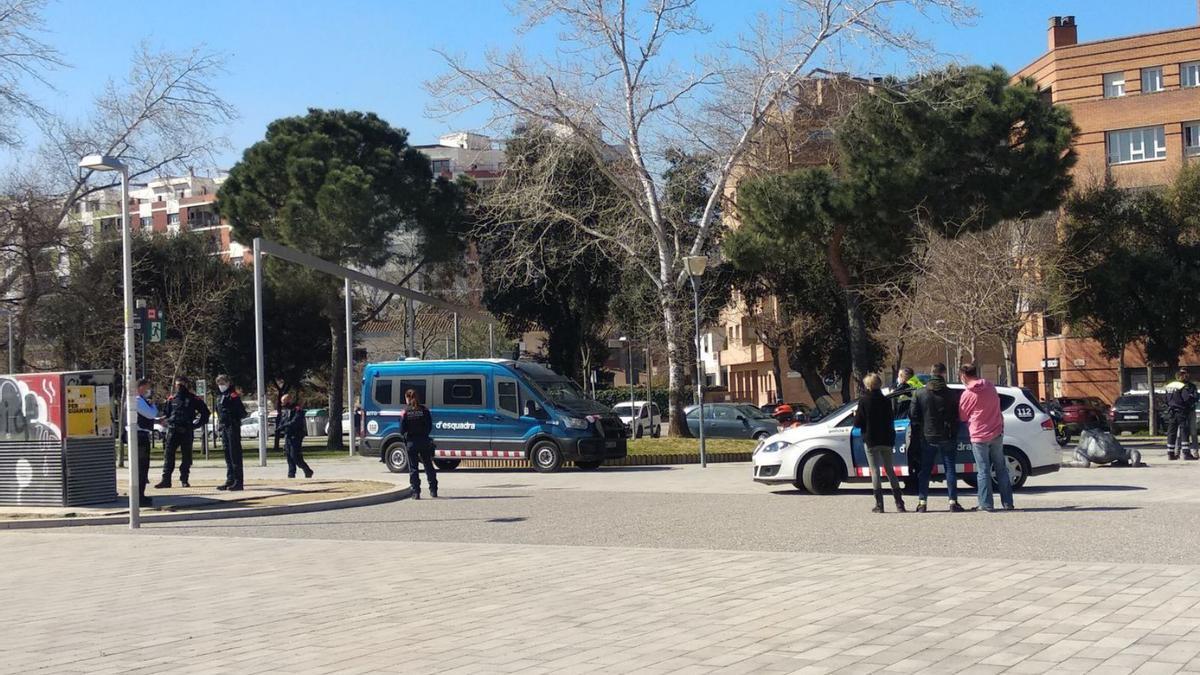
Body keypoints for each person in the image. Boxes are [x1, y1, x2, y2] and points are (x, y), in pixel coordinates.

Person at [958, 363, 1013, 511]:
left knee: (983, 470)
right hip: (996, 431)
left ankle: (986, 503)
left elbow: (962, 415)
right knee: (1001, 467)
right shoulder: (990, 386)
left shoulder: (968, 394)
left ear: (963, 376)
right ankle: (1008, 502)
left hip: (979, 435)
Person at [910, 363, 964, 513]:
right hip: (948, 435)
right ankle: (953, 501)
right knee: (950, 469)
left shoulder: (920, 393)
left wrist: (920, 428)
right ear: (944, 374)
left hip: (928, 436)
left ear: (931, 373)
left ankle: (922, 502)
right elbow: (958, 415)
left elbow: (913, 415)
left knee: (925, 470)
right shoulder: (952, 394)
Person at [854, 373, 904, 513]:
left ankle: (879, 504)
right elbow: (891, 419)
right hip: (886, 439)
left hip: (871, 439)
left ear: (868, 385)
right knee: (890, 470)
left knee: (875, 471)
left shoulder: (864, 401)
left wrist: (855, 416)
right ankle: (899, 503)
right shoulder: (886, 400)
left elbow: (858, 423)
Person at [155, 377, 209, 489]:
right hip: (173, 431)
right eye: (177, 385)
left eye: (181, 384)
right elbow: (167, 414)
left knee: (186, 457)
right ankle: (166, 480)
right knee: (168, 456)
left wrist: (195, 425)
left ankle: (184, 479)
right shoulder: (172, 399)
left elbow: (205, 413)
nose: (179, 387)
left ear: (186, 384)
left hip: (186, 431)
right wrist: (164, 421)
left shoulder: (193, 399)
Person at [401, 388, 438, 499]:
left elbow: (402, 429)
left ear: (407, 398)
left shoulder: (405, 412)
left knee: (413, 468)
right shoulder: (424, 410)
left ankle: (416, 492)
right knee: (428, 466)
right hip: (424, 441)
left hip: (412, 443)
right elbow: (429, 426)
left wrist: (407, 436)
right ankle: (433, 490)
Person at [214, 374, 247, 490]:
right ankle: (230, 479)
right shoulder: (220, 396)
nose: (221, 386)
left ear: (228, 383)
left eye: (222, 383)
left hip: (232, 426)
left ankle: (238, 482)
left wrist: (232, 417)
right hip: (224, 427)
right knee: (228, 455)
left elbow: (242, 412)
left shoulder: (233, 396)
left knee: (235, 455)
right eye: (219, 383)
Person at [275, 394, 313, 479]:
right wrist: (279, 427)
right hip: (288, 435)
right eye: (282, 402)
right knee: (288, 455)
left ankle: (307, 470)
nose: (283, 404)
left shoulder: (297, 409)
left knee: (295, 455)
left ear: (289, 400)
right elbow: (282, 420)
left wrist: (285, 426)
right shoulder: (285, 411)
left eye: (284, 402)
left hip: (296, 435)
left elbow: (296, 421)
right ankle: (291, 474)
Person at [134, 378, 157, 507]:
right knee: (141, 468)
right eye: (147, 387)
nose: (149, 390)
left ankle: (140, 495)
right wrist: (152, 404)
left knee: (142, 468)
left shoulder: (138, 400)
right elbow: (151, 414)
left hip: (140, 435)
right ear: (141, 387)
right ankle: (140, 497)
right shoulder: (137, 401)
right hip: (140, 436)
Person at [1165, 370, 1198, 461]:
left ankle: (1170, 454)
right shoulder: (1182, 386)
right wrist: (1189, 403)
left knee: (1171, 433)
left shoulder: (1169, 386)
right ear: (1180, 377)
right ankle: (1186, 453)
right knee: (1184, 432)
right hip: (1181, 411)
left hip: (1171, 412)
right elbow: (1186, 399)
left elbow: (1165, 400)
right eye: (1184, 376)